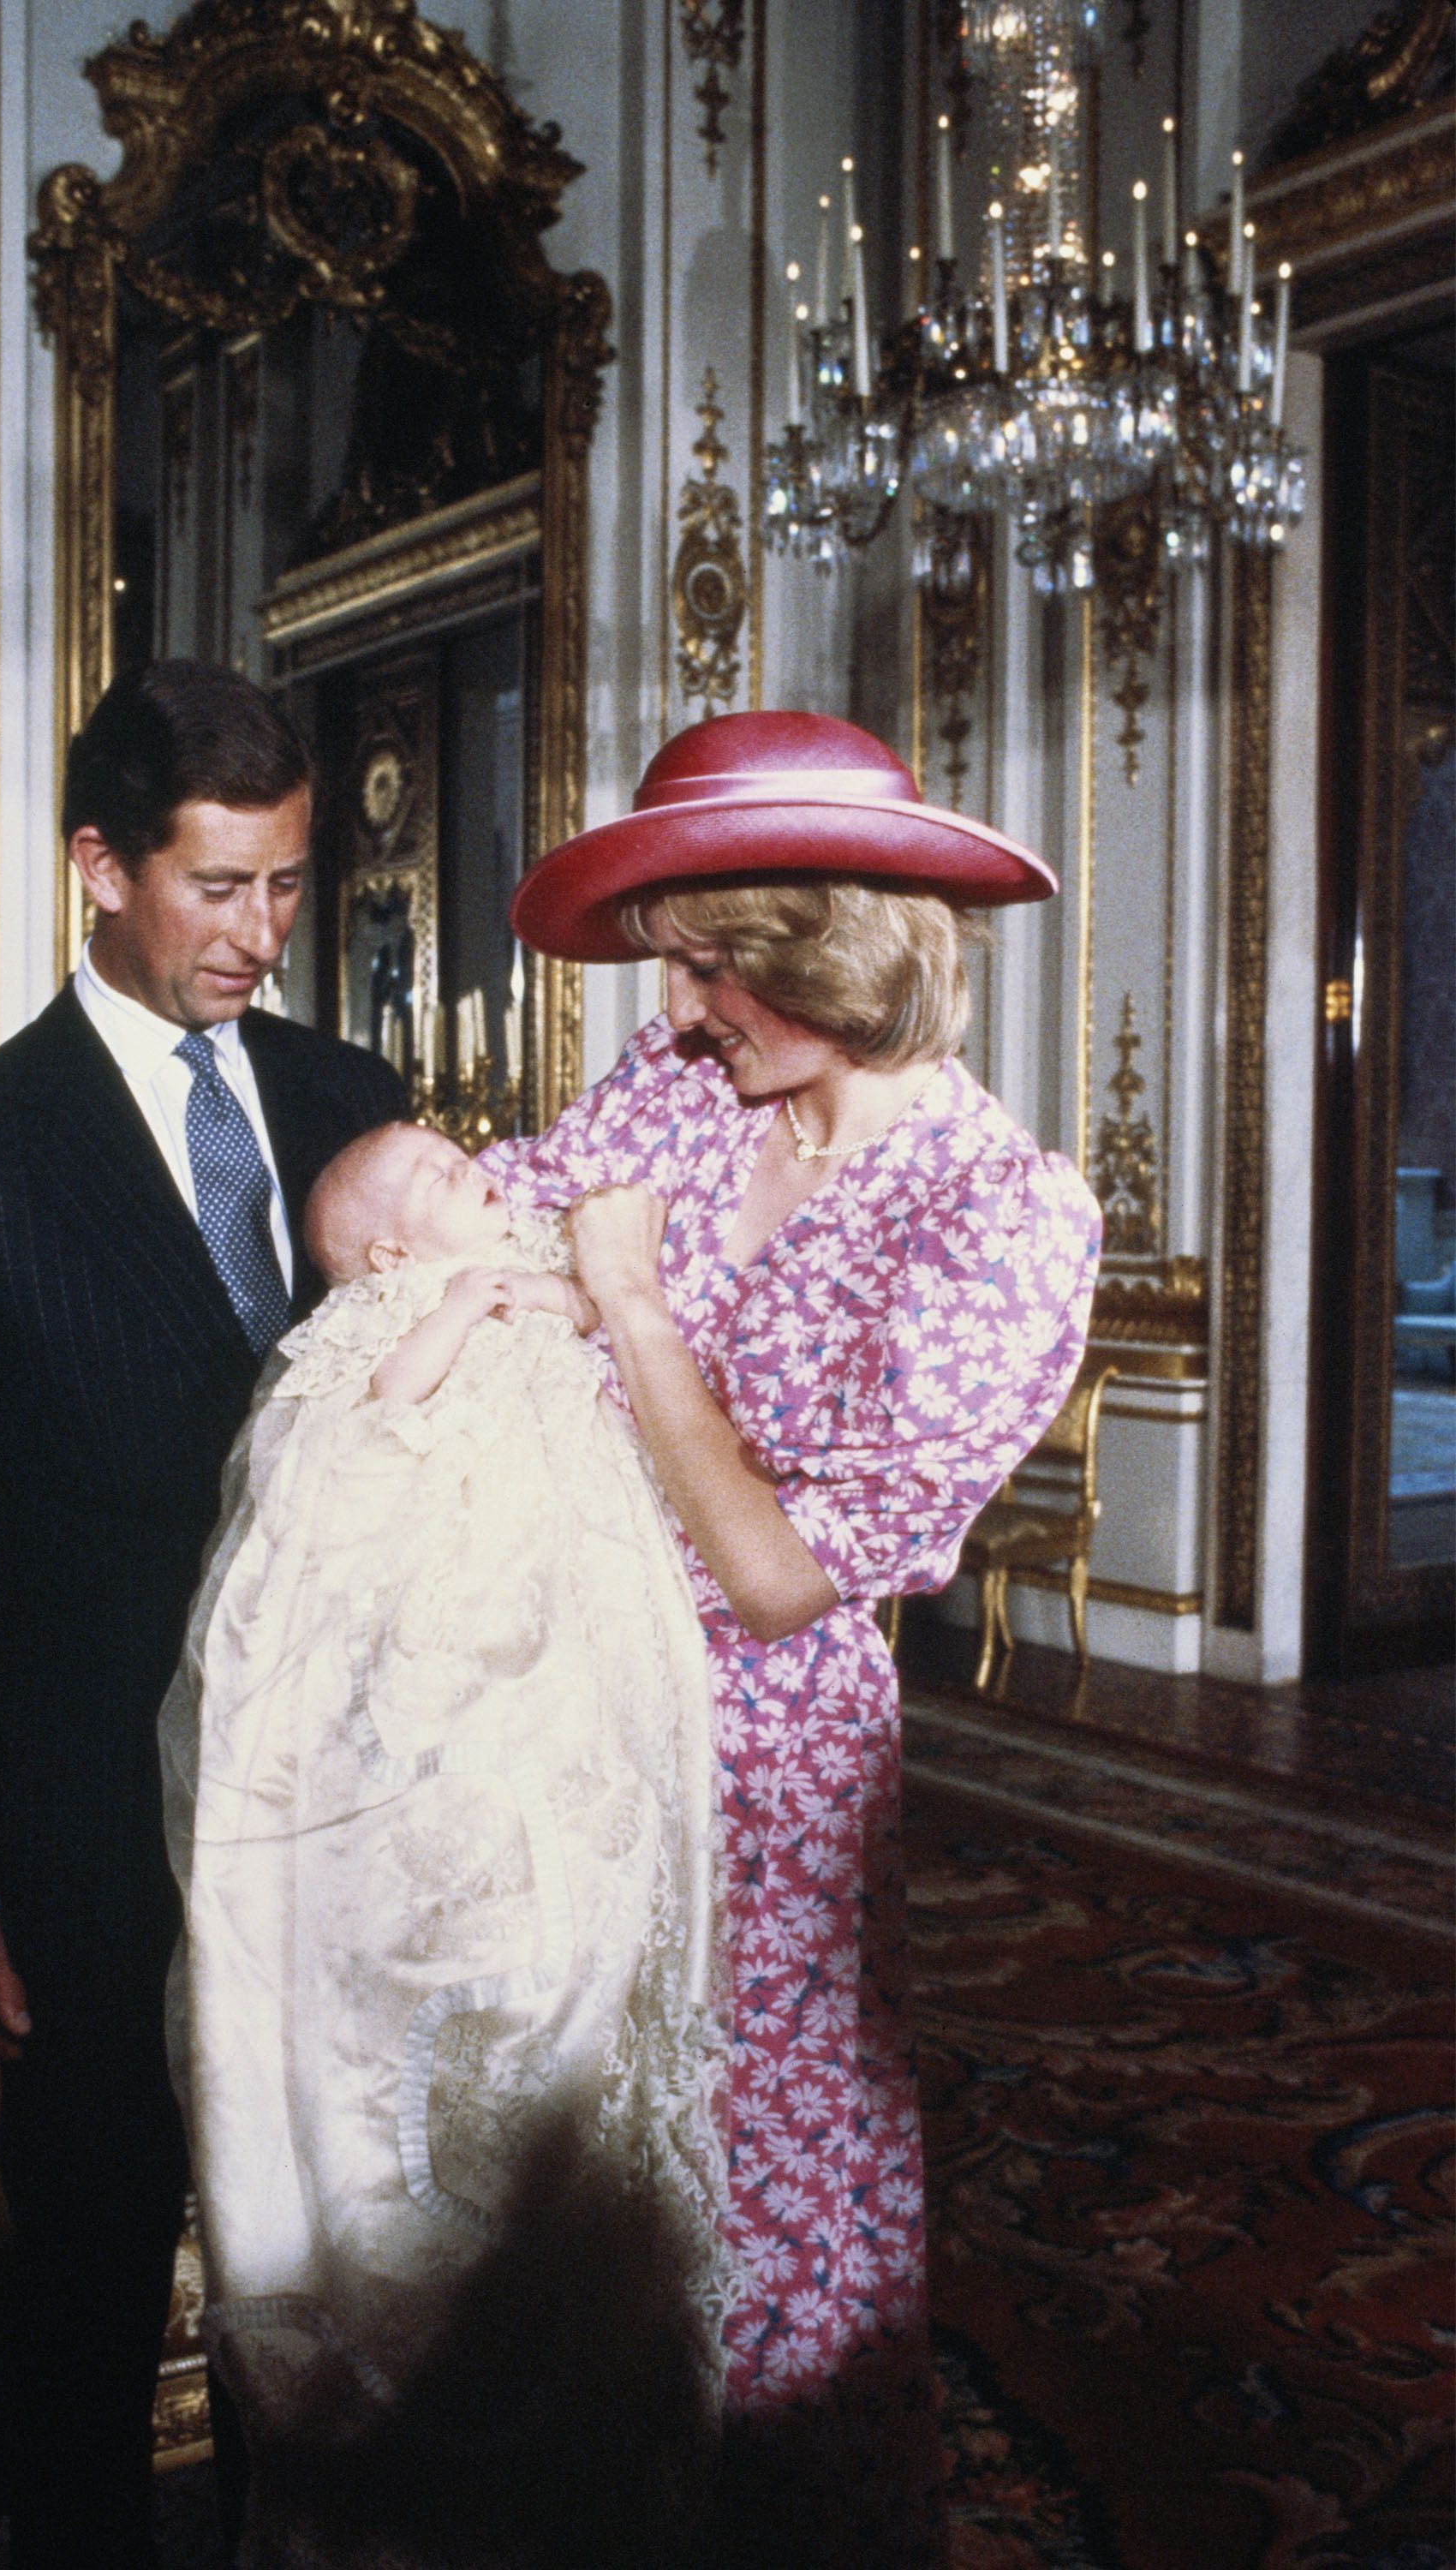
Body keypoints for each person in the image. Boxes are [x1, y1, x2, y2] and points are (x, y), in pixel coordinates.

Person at [483, 708, 1103, 2570]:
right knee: (562, 2165)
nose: (672, 1012)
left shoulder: (1001, 1216)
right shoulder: (687, 1094)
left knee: (771, 2182)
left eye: (710, 966)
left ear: (826, 948)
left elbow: (772, 1581)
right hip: (558, 1704)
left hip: (764, 1764)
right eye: (672, 965)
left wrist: (628, 1305)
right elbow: (472, 1228)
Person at [0, 660, 406, 2569]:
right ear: (101, 865)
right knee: (84, 2286)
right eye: (217, 886)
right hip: (84, 1832)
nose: (260, 934)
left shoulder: (355, 1106)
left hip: (339, 1819)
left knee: (322, 2286)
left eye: (286, 886)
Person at [159, 1121, 727, 2569]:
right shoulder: (390, 1314)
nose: (474, 1162)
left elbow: (600, 1303)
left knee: (593, 1989)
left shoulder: (522, 1265)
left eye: (461, 1151)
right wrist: (457, 1310)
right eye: (432, 1177)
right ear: (393, 1255)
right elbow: (365, 1423)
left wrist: (566, 1293)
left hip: (571, 1652)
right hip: (441, 1672)